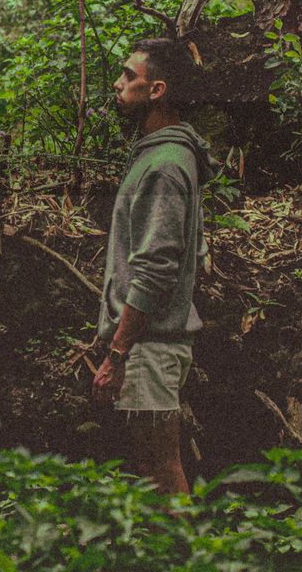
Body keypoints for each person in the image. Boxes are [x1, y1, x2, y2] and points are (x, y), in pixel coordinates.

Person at [91, 37, 213, 496]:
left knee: (162, 471)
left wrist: (118, 352)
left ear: (157, 90)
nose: (118, 84)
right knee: (151, 472)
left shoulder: (165, 165)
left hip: (150, 349)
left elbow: (156, 269)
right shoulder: (161, 157)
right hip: (147, 345)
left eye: (129, 76)